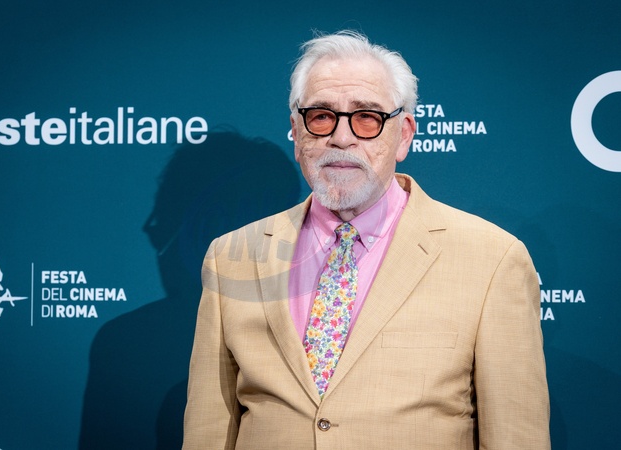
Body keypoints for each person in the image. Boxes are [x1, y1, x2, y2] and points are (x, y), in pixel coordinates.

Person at [183, 30, 550, 449]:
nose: (342, 137)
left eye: (367, 117)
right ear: (297, 134)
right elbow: (208, 431)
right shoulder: (230, 257)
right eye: (321, 116)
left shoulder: (492, 259)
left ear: (404, 134)